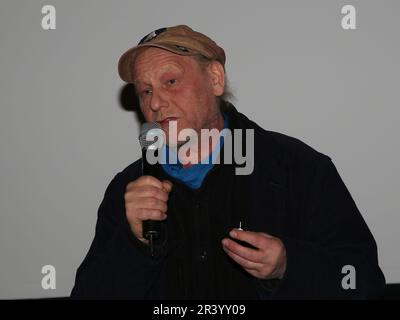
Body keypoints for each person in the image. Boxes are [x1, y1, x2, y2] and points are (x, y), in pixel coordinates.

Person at [71, 25, 385, 299]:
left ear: (215, 79)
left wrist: (290, 266)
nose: (154, 103)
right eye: (145, 90)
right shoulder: (129, 189)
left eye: (171, 82)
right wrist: (133, 244)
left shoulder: (296, 168)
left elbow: (364, 282)